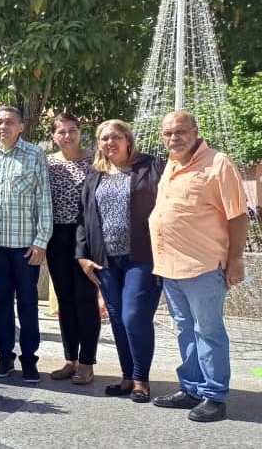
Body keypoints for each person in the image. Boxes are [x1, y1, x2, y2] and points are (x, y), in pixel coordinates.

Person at [150, 111, 249, 422]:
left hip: (203, 267)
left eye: (180, 131)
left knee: (209, 331)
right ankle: (192, 387)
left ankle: (215, 396)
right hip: (170, 266)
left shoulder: (218, 164)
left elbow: (237, 216)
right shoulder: (171, 163)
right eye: (168, 133)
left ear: (195, 130)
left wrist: (235, 259)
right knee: (184, 330)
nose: (173, 138)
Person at [76, 120, 164, 403]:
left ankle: (141, 380)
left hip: (142, 256)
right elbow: (83, 218)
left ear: (128, 140)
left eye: (115, 137)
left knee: (133, 316)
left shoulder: (151, 168)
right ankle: (127, 378)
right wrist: (83, 257)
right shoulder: (94, 175)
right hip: (105, 261)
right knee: (116, 319)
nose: (109, 143)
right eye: (104, 138)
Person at [0, 106, 52, 383]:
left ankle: (29, 359)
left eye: (8, 122)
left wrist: (41, 242)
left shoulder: (34, 155)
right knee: (1, 304)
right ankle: (5, 355)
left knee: (28, 304)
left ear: (21, 126)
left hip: (25, 247)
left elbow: (44, 200)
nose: (2, 127)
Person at [45, 112, 100, 385]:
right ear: (54, 136)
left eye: (72, 130)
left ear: (80, 132)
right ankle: (71, 359)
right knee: (65, 302)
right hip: (56, 237)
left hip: (86, 237)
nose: (67, 136)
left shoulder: (95, 160)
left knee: (85, 300)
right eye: (61, 132)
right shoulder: (48, 164)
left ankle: (88, 362)